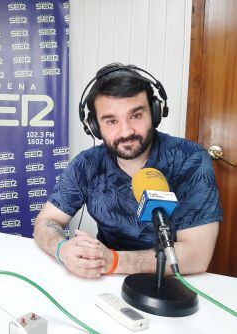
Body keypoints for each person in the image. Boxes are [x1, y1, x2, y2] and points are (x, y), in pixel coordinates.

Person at [34, 63, 222, 279]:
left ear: (154, 112)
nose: (126, 131)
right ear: (95, 126)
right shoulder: (87, 164)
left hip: (173, 281)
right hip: (106, 281)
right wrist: (62, 250)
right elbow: (46, 222)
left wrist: (114, 261)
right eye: (111, 121)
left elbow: (198, 254)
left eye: (136, 115)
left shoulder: (190, 159)